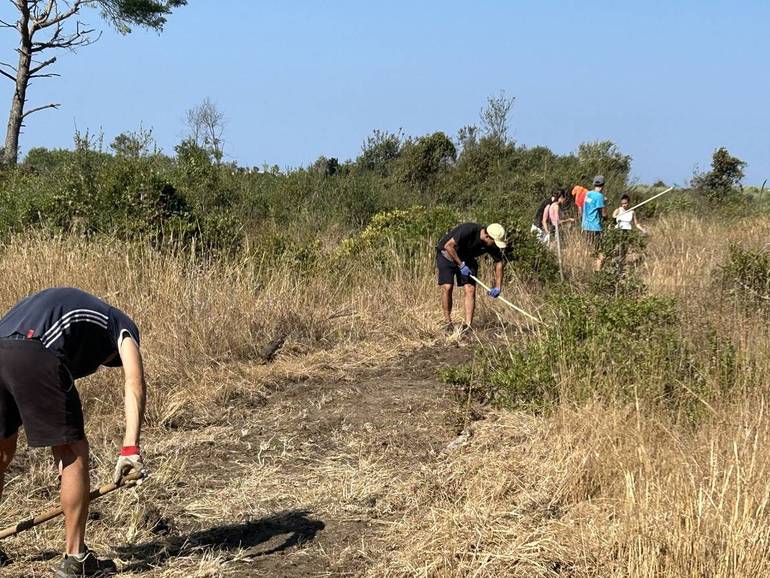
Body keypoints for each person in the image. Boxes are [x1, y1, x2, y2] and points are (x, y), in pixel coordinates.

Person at [0, 287, 146, 577]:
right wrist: (130, 448)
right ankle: (76, 559)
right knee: (72, 452)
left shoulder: (62, 306)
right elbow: (135, 382)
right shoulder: (120, 326)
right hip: (35, 348)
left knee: (1, 450)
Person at [436, 223, 507, 332]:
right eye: (494, 242)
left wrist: (498, 287)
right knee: (448, 286)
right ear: (487, 236)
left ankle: (468, 326)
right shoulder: (469, 229)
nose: (495, 245)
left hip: (467, 258)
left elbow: (499, 262)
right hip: (447, 254)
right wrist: (461, 265)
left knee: (470, 288)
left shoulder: (490, 244)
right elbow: (448, 246)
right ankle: (448, 323)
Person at [582, 175, 608, 270]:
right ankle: (598, 272)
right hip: (595, 227)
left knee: (589, 250)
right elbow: (604, 214)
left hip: (585, 226)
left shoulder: (588, 194)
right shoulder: (600, 196)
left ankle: (587, 269)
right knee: (601, 252)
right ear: (603, 185)